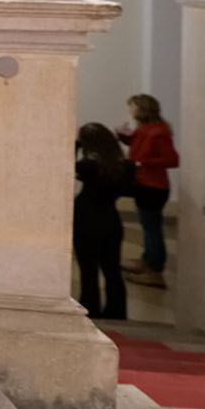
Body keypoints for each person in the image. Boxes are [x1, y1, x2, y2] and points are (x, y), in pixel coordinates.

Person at [118, 94, 180, 288]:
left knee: (152, 228)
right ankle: (147, 260)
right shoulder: (144, 129)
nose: (130, 110)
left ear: (142, 109)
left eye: (133, 106)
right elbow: (137, 144)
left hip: (153, 186)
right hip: (144, 183)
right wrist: (123, 135)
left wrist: (142, 162)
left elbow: (172, 160)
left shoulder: (158, 131)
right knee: (148, 226)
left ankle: (155, 270)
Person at [74, 123, 132, 320]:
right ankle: (117, 311)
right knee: (112, 270)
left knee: (88, 269)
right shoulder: (125, 166)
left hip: (85, 219)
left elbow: (65, 167)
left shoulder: (88, 166)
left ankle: (90, 307)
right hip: (110, 220)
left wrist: (74, 146)